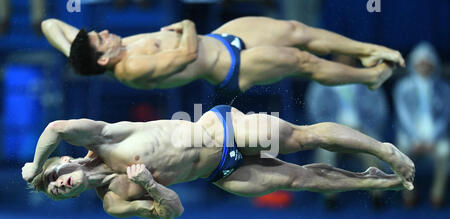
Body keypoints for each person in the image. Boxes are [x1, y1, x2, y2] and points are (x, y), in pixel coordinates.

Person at [22, 105, 415, 219]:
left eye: (54, 176)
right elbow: (172, 211)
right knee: (300, 179)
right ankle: (381, 182)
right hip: (221, 173)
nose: (57, 185)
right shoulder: (113, 201)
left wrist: (33, 165)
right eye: (55, 191)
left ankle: (383, 150)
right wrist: (151, 185)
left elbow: (56, 126)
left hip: (221, 130)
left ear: (66, 160)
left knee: (302, 137)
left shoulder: (102, 137)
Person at [41, 17, 405, 96]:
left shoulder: (99, 53)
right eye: (99, 39)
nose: (105, 32)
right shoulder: (132, 66)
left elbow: (49, 23)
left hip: (222, 37)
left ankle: (371, 50)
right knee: (303, 61)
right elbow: (186, 53)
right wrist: (186, 25)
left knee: (297, 29)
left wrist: (72, 52)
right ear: (104, 60)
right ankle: (368, 78)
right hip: (231, 65)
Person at [306, 55, 389, 208]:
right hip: (331, 133)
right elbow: (315, 113)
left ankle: (377, 195)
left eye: (348, 59)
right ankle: (330, 197)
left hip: (362, 131)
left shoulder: (366, 81)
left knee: (371, 150)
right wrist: (332, 130)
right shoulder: (321, 83)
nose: (344, 62)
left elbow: (379, 112)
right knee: (326, 154)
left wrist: (363, 129)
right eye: (340, 59)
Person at [393, 42, 450, 208]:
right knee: (400, 152)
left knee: (446, 150)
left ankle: (437, 194)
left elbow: (446, 117)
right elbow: (402, 116)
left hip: (435, 136)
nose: (424, 66)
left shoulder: (444, 89)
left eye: (427, 63)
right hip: (411, 136)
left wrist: (433, 139)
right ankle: (409, 194)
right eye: (420, 63)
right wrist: (415, 139)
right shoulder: (403, 87)